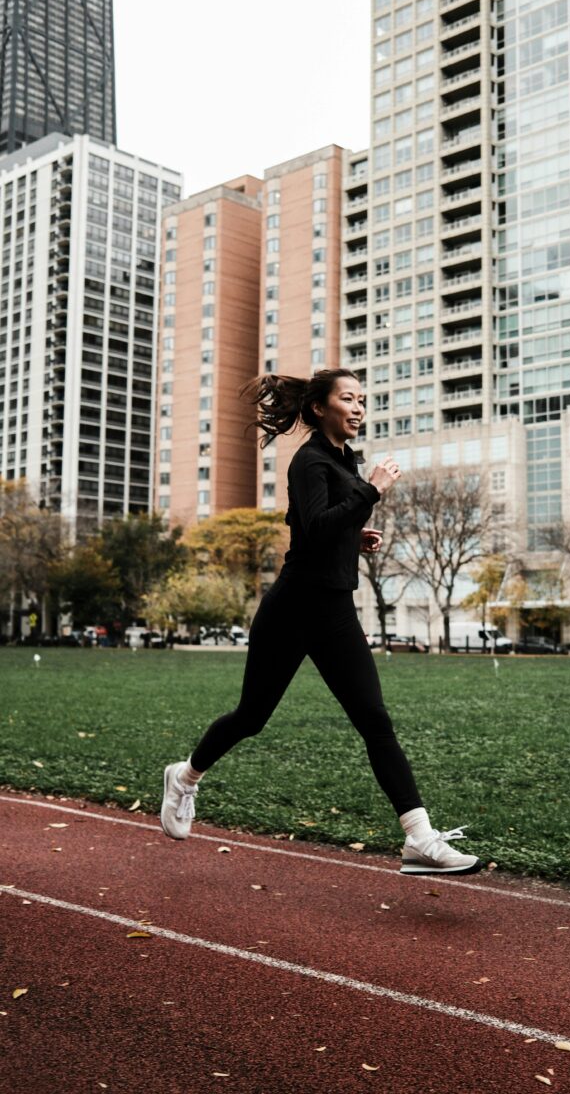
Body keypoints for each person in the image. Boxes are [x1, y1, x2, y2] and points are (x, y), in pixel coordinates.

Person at [160, 368, 482, 877]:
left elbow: (311, 526)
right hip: (293, 609)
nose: (358, 407)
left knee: (375, 720)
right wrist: (371, 493)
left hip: (333, 610)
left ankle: (419, 839)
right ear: (319, 408)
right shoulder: (309, 460)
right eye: (348, 398)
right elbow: (315, 524)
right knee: (251, 718)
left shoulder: (343, 459)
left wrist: (355, 537)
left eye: (362, 399)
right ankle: (185, 776)